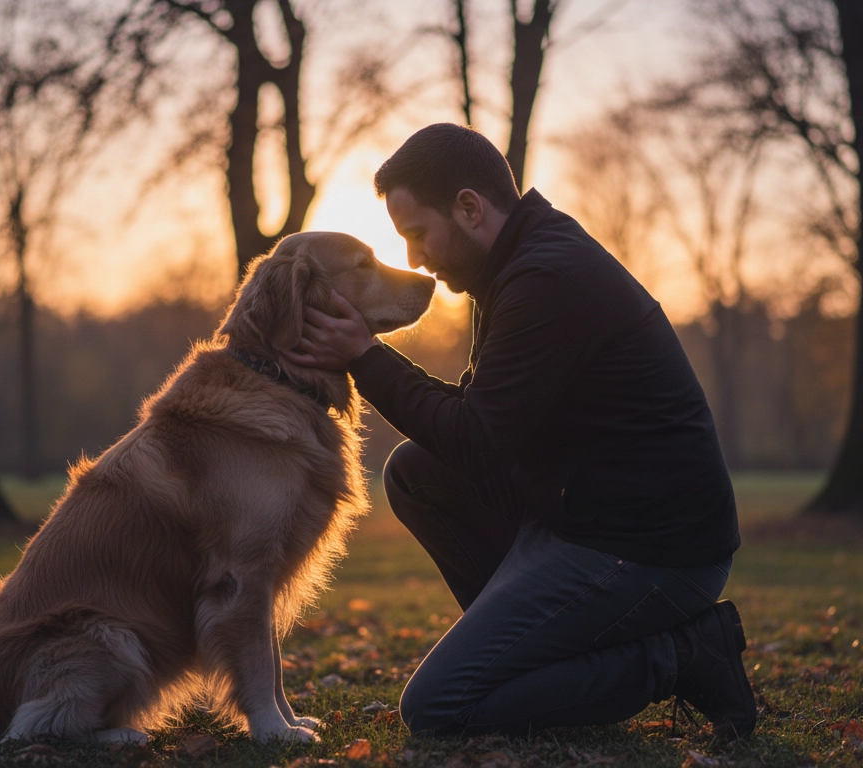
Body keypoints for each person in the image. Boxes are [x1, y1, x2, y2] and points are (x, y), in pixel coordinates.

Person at [283, 123, 755, 739]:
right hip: (582, 515)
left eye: (418, 234)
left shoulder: (546, 280)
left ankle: (685, 655)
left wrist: (365, 357)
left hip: (653, 551)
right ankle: (531, 658)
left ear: (470, 208)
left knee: (439, 706)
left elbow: (476, 441)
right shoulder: (515, 268)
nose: (415, 259)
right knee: (416, 473)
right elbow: (484, 423)